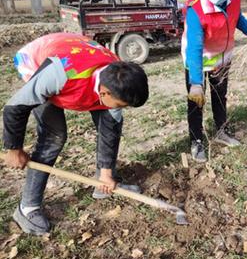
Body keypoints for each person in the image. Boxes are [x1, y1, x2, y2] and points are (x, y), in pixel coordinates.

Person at [2, 33, 149, 235]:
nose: (122, 108)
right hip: (39, 61)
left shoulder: (116, 76)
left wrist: (106, 173)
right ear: (104, 92)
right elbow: (14, 107)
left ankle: (102, 182)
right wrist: (13, 148)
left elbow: (110, 130)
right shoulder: (59, 73)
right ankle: (27, 208)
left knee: (111, 122)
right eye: (122, 105)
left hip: (77, 53)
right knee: (54, 136)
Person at [182, 0, 247, 163]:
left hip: (222, 58)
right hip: (198, 60)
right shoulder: (196, 8)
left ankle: (221, 131)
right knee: (196, 102)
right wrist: (196, 83)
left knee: (220, 97)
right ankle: (196, 141)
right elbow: (194, 47)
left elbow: (238, 19)